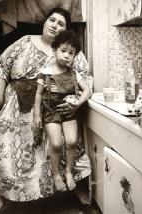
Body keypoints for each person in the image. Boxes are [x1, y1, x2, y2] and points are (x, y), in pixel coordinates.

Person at [0, 7, 93, 211]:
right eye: (52, 20)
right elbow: (1, 66)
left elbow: (85, 77)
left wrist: (75, 99)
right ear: (44, 22)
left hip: (57, 108)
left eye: (61, 24)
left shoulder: (69, 50)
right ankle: (6, 194)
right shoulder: (24, 41)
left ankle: (75, 184)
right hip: (18, 107)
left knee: (68, 142)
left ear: (66, 32)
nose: (55, 25)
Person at [33, 30, 91, 192]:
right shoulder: (45, 73)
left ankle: (68, 172)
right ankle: (56, 174)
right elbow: (38, 95)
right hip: (51, 112)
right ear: (55, 50)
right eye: (63, 51)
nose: (67, 56)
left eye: (71, 53)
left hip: (70, 112)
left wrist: (78, 103)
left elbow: (87, 90)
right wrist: (37, 116)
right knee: (57, 144)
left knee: (72, 142)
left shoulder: (74, 73)